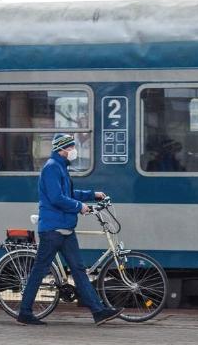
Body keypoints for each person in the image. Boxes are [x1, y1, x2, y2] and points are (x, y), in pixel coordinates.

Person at [17, 133, 123, 326]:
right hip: (52, 230)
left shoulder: (60, 167)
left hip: (65, 229)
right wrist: (79, 207)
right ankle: (24, 312)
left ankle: (98, 312)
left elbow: (69, 193)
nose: (74, 150)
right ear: (62, 149)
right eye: (72, 147)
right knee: (39, 271)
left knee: (79, 271)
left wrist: (93, 195)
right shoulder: (51, 168)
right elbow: (57, 198)